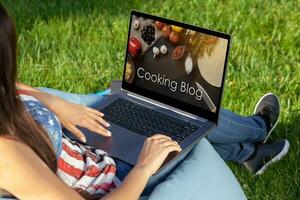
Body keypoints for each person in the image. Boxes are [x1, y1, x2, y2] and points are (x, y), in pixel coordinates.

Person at [0, 4, 288, 200]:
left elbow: (7, 84)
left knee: (146, 101)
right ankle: (257, 130)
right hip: (121, 175)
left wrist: (49, 100)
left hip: (89, 143)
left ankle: (249, 153)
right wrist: (143, 169)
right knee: (177, 108)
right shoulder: (7, 156)